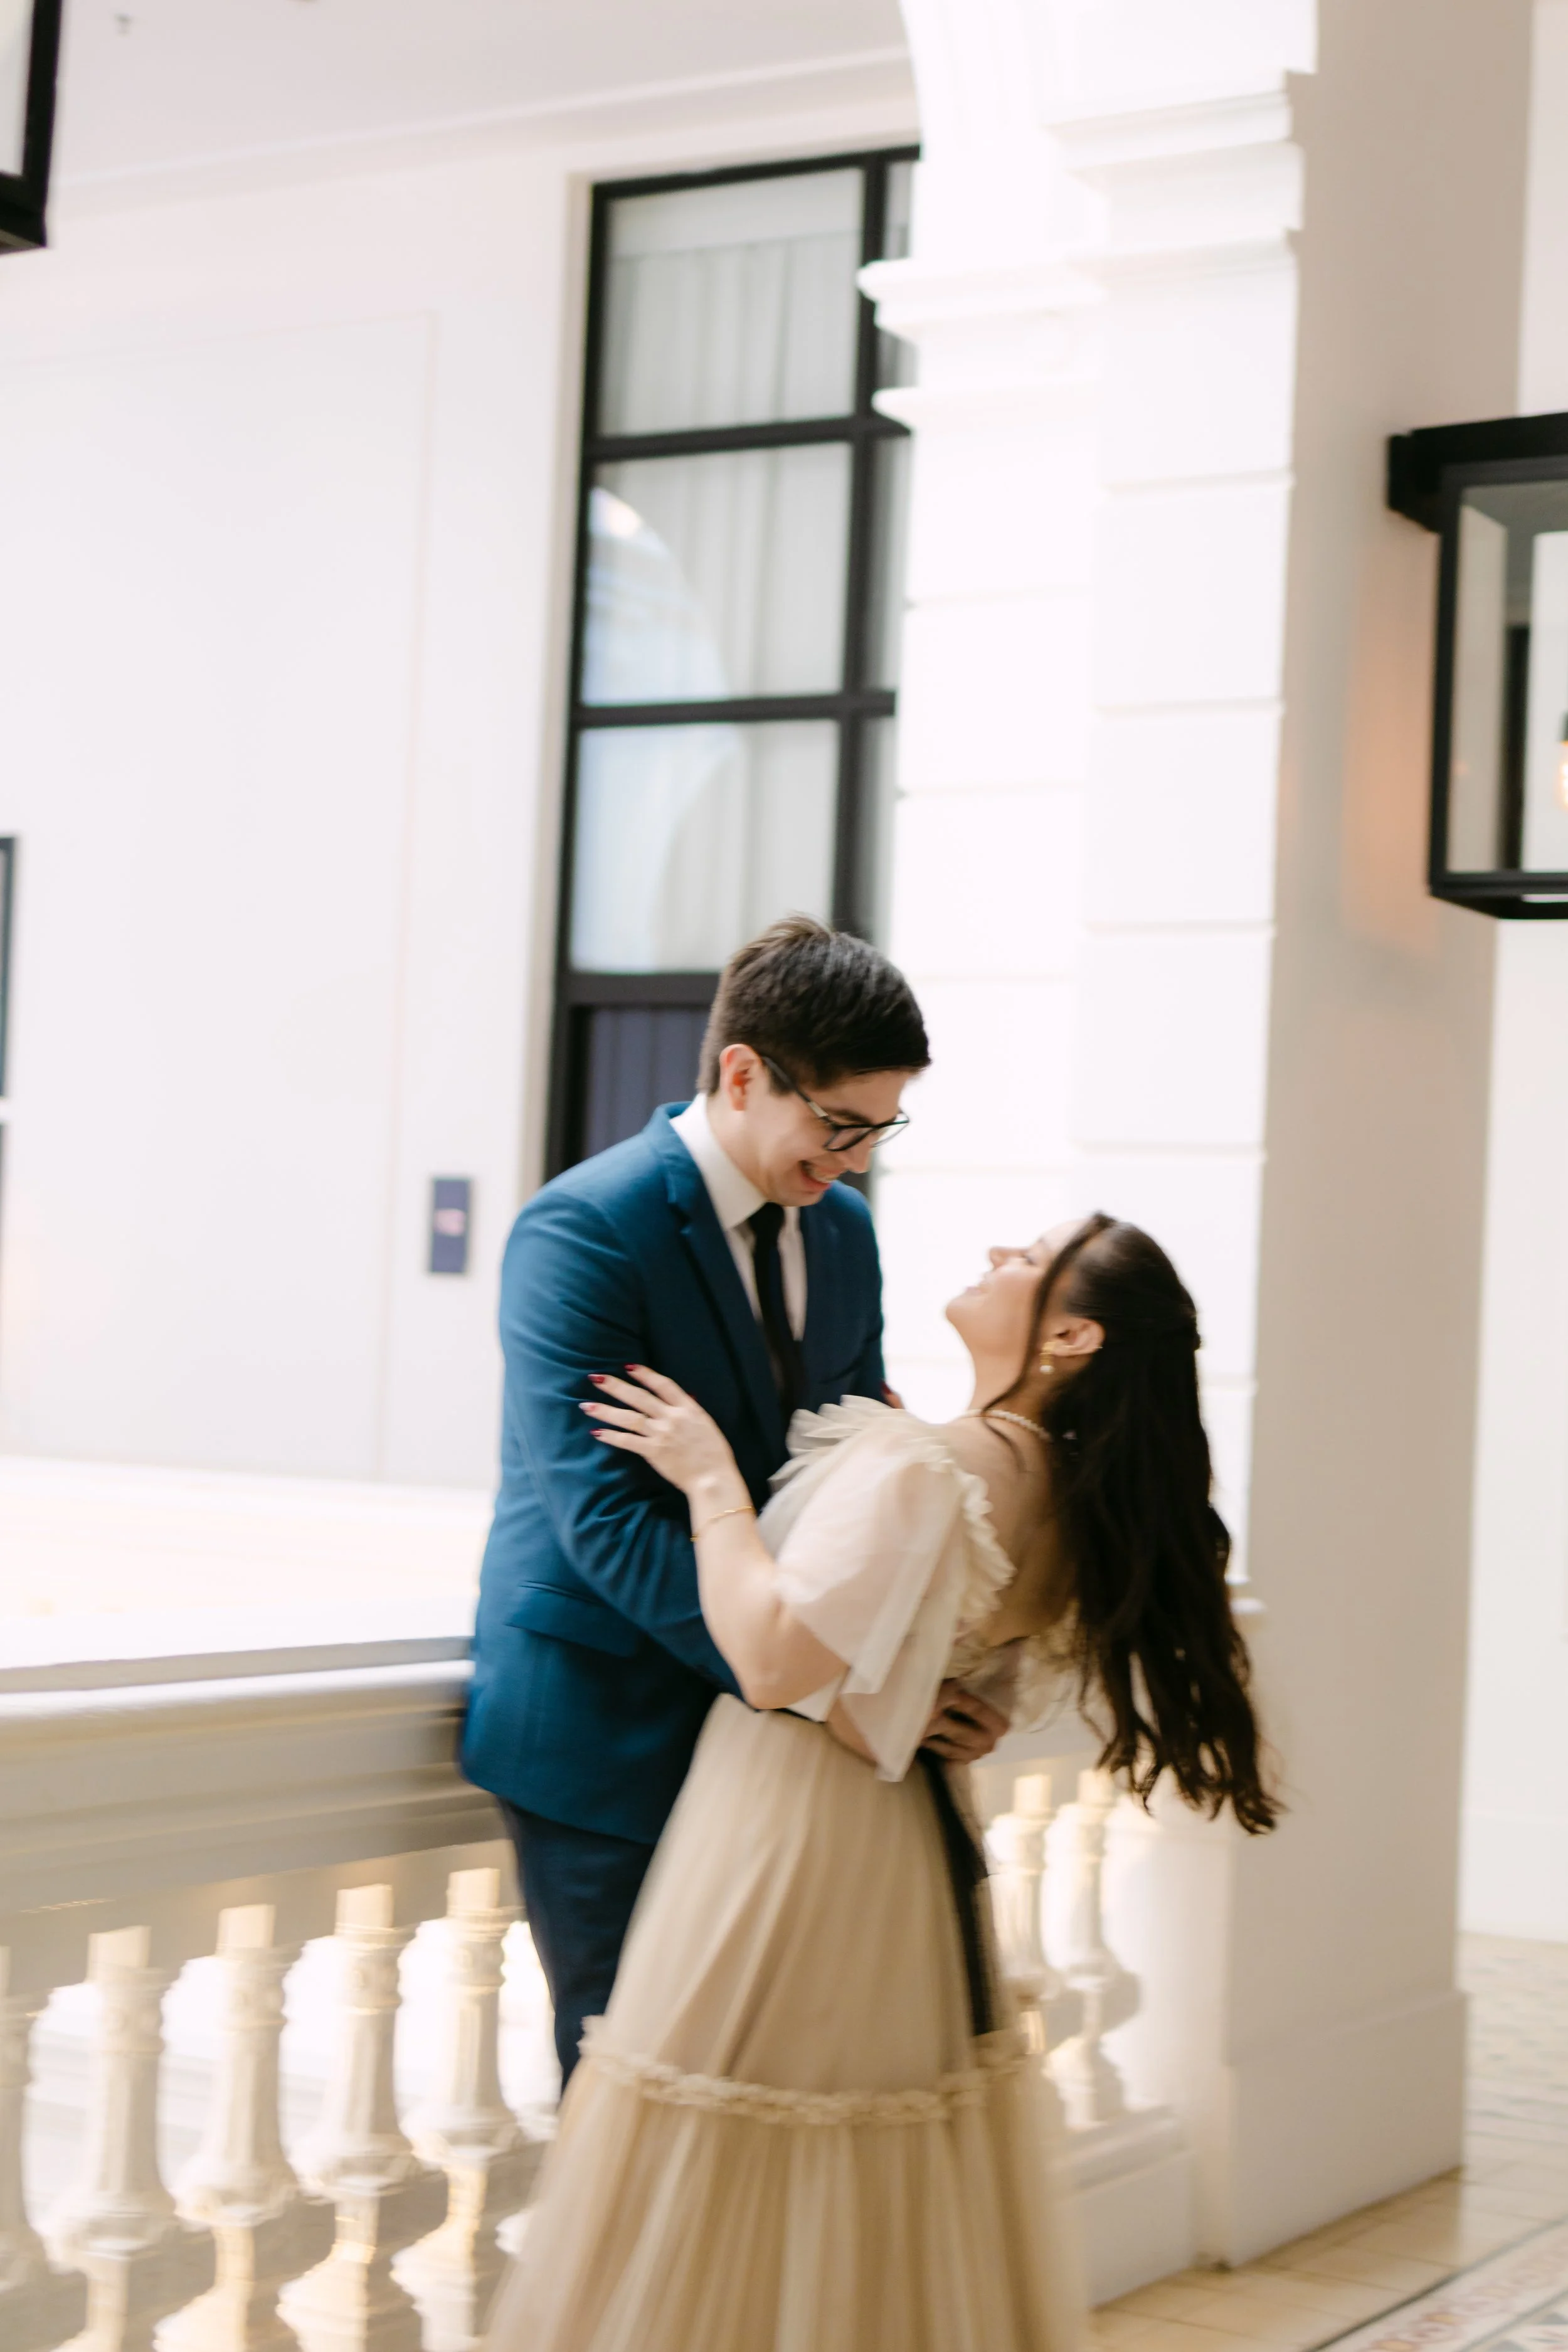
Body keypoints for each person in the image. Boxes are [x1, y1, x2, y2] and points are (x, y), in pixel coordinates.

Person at [484, 1212, 1278, 2352]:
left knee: (731, 2148)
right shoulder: (1059, 1483)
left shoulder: (934, 1465)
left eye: (1028, 1257)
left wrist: (710, 1479)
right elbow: (969, 1679)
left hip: (789, 1829)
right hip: (906, 1845)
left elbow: (767, 1657)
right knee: (858, 2152)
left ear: (1073, 1335)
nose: (1001, 1250)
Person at [461, 916, 1010, 2089]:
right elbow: (601, 1520)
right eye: (839, 1124)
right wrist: (825, 1691)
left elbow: (845, 1477)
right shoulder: (584, 1230)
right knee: (627, 2090)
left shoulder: (848, 1235)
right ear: (744, 1072)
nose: (853, 1159)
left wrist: (887, 1674)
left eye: (881, 1128)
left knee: (766, 2084)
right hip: (605, 1721)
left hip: (777, 1735)